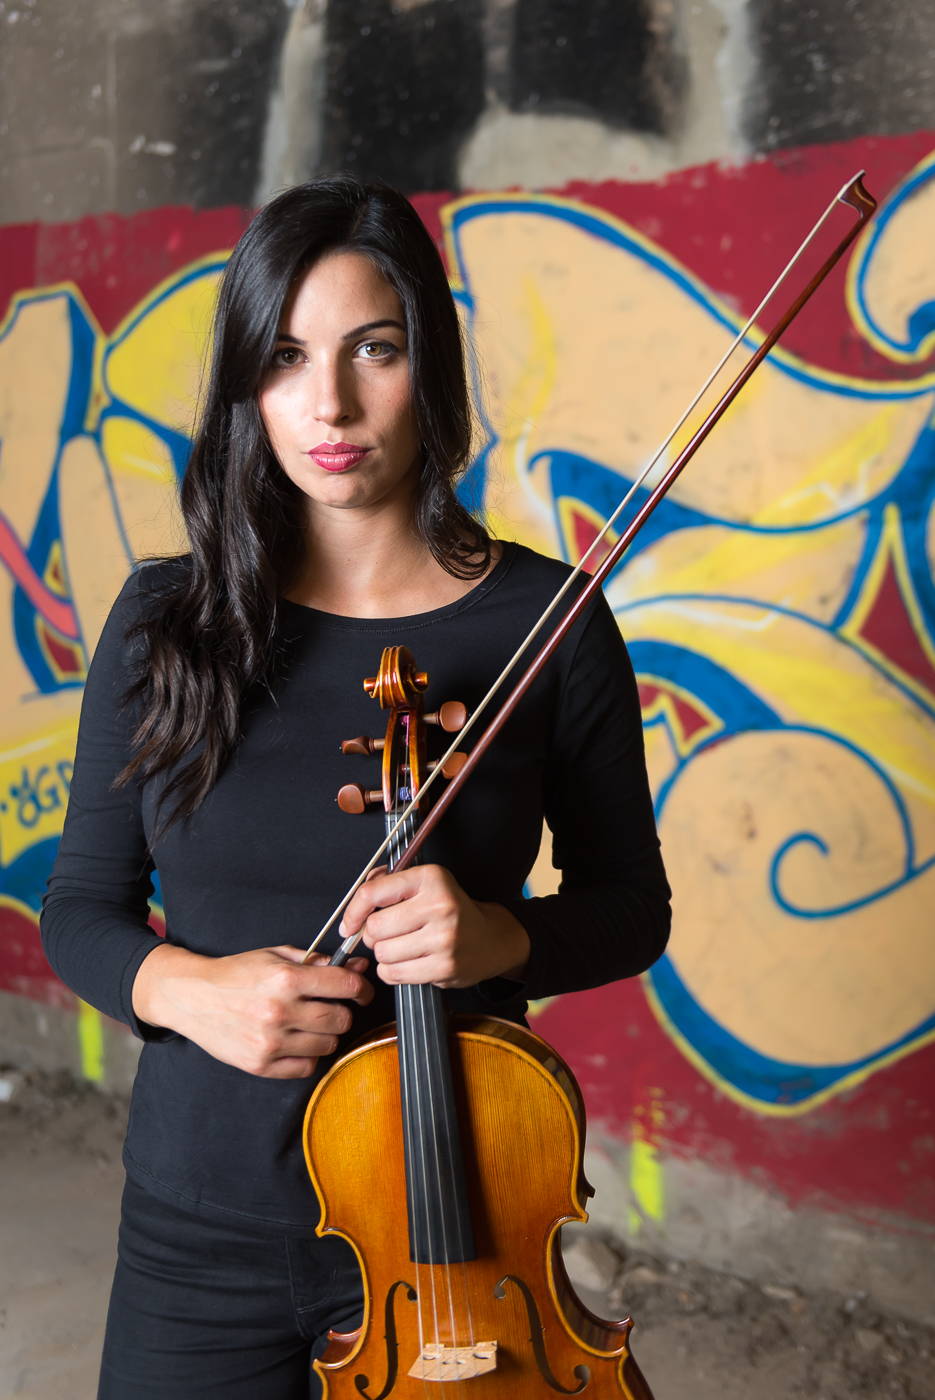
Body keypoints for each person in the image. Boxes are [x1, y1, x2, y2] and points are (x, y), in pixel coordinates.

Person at [41, 176, 671, 1400]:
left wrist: (497, 934)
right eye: (283, 357)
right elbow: (81, 903)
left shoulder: (544, 622)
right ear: (247, 386)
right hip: (195, 1225)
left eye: (370, 350)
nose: (326, 403)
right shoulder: (168, 622)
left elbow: (630, 904)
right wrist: (186, 988)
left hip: (457, 1234)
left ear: (425, 364)